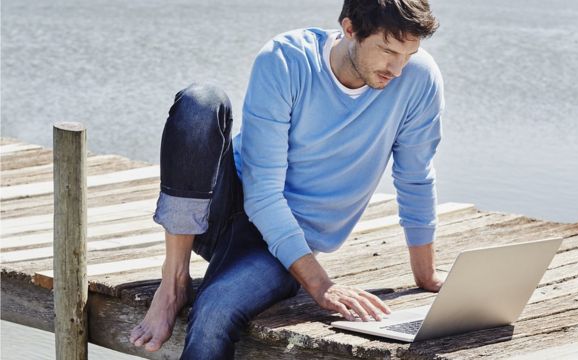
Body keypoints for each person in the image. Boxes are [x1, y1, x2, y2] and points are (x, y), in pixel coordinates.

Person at [129, 0, 444, 358]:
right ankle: (173, 284)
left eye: (409, 53)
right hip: (221, 207)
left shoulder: (419, 79)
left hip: (282, 242)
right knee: (201, 102)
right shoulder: (285, 60)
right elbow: (263, 194)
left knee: (215, 312)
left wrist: (426, 276)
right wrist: (321, 284)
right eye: (388, 51)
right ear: (350, 29)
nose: (398, 68)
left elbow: (415, 177)